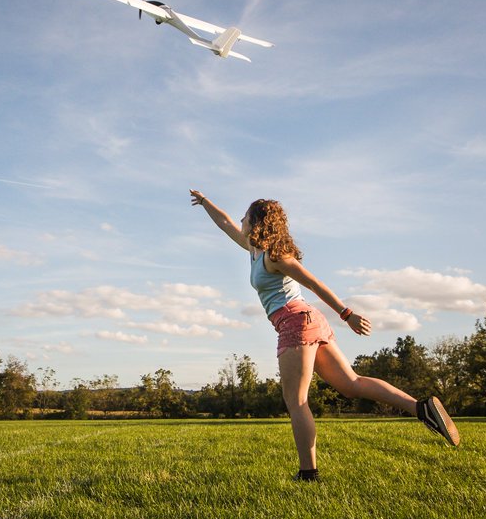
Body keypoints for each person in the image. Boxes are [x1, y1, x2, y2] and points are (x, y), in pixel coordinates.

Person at [190, 190, 460, 481]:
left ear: (257, 222)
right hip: (306, 320)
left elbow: (315, 284)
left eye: (246, 215)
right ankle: (421, 408)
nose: (240, 219)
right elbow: (225, 223)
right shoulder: (253, 250)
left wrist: (347, 314)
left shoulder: (276, 257)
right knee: (351, 383)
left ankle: (308, 474)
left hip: (295, 323)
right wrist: (205, 203)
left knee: (297, 401)